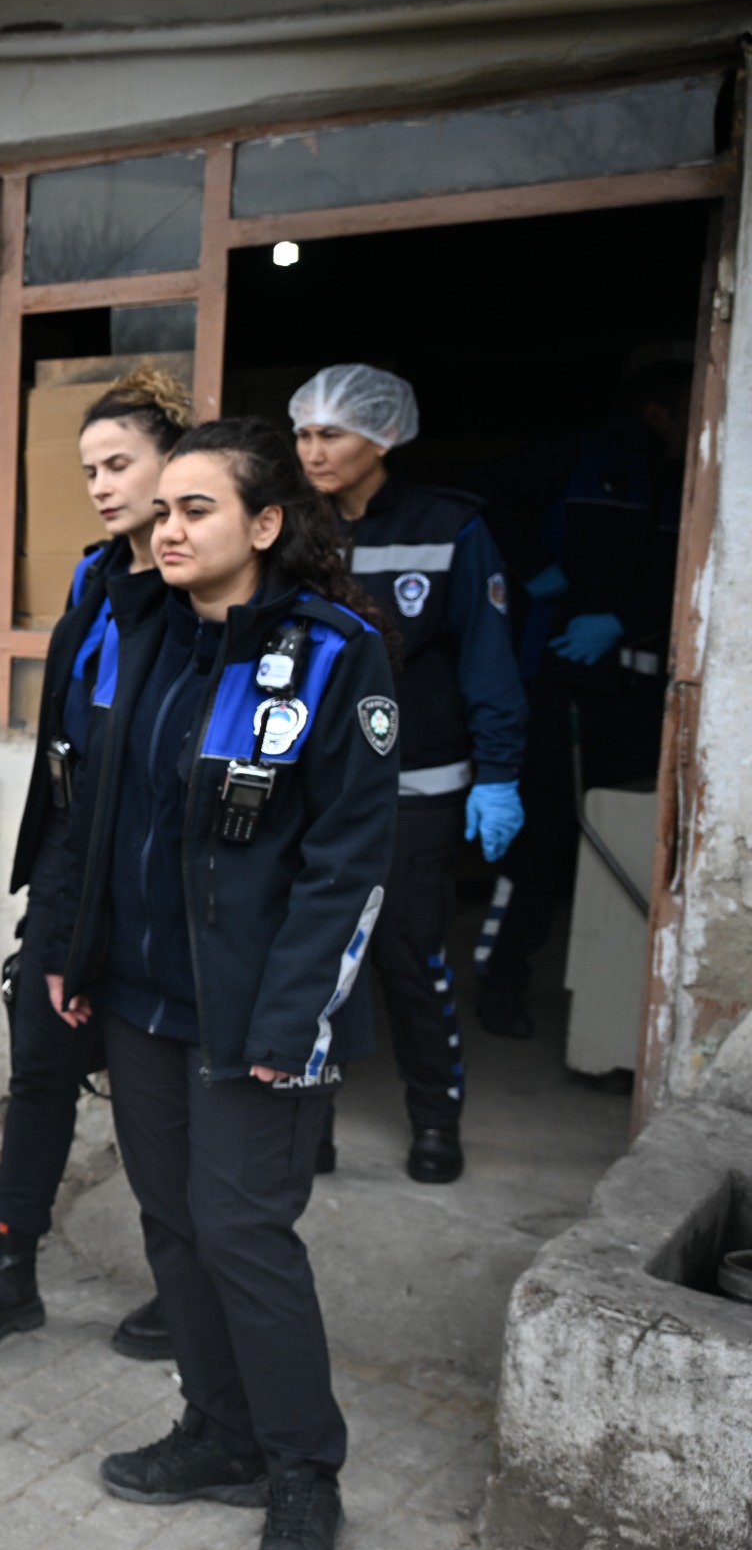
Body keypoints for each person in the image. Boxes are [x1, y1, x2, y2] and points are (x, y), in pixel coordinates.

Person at [58, 419, 399, 1550]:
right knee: (171, 1220)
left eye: (195, 509)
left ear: (263, 524)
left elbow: (346, 862)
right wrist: (72, 945)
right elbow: (96, 812)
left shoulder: (331, 653)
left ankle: (303, 1468)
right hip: (143, 994)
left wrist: (292, 1022)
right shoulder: (143, 631)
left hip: (259, 1009)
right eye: (164, 511)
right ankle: (218, 1427)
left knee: (244, 1230)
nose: (167, 528)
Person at [0, 366, 189, 1361]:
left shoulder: (195, 589)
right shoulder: (91, 575)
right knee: (37, 1072)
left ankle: (183, 1287)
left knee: (154, 1100)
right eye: (90, 468)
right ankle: (10, 1272)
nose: (102, 484)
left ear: (176, 462)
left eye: (120, 462)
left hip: (155, 882)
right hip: (74, 861)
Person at [291, 364, 525, 1184]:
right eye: (305, 434)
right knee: (313, 959)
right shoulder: (289, 528)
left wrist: (498, 770)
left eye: (333, 435)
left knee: (408, 958)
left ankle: (435, 1120)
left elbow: (488, 663)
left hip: (418, 787)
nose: (313, 451)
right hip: (313, 788)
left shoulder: (451, 528)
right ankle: (308, 1125)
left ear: (382, 437)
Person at [478, 361, 688, 1038]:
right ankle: (500, 982)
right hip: (557, 680)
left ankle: (609, 1006)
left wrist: (626, 624)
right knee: (539, 841)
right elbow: (495, 506)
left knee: (622, 839)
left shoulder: (678, 478)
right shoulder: (580, 457)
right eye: (684, 409)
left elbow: (680, 573)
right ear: (657, 410)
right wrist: (540, 575)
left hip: (638, 686)